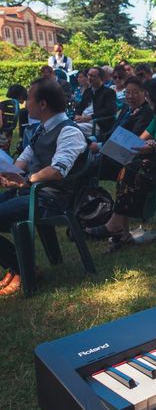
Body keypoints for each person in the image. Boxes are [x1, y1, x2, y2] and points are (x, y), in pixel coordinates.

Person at [85, 77, 156, 251]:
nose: (147, 98)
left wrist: (154, 148)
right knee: (126, 169)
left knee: (132, 170)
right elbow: (141, 139)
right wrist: (127, 146)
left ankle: (116, 226)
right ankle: (120, 231)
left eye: (148, 94)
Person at [0, 78, 86, 295]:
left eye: (29, 98)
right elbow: (24, 158)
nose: (25, 103)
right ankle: (16, 266)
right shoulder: (42, 129)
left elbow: (58, 170)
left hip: (51, 199)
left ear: (43, 104)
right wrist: (9, 173)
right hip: (32, 193)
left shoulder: (69, 132)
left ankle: (23, 269)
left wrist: (26, 180)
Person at [91, 76, 155, 181]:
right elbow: (112, 132)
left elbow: (134, 138)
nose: (130, 96)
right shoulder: (126, 108)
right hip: (109, 149)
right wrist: (92, 139)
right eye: (127, 92)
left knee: (86, 167)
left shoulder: (147, 112)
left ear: (144, 93)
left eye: (135, 92)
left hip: (124, 156)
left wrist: (99, 146)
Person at [74, 67, 117, 136]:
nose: (89, 78)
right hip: (82, 121)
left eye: (93, 76)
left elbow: (110, 110)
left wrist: (90, 117)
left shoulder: (109, 92)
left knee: (71, 130)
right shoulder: (88, 91)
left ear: (101, 78)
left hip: (97, 123)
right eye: (88, 75)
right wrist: (77, 115)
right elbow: (80, 106)